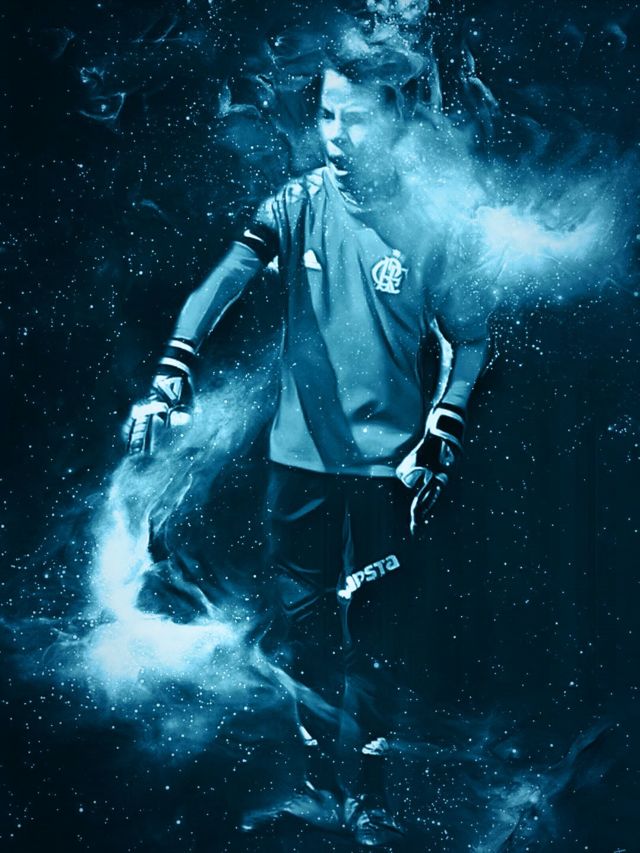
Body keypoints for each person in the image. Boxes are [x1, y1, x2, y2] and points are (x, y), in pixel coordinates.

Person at [124, 62, 491, 846]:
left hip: (389, 476)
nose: (337, 135)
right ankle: (323, 789)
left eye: (357, 118)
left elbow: (472, 338)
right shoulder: (296, 205)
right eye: (327, 115)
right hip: (298, 471)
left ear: (395, 122)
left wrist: (445, 423)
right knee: (305, 639)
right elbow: (224, 279)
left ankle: (372, 799)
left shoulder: (431, 228)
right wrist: (172, 369)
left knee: (376, 641)